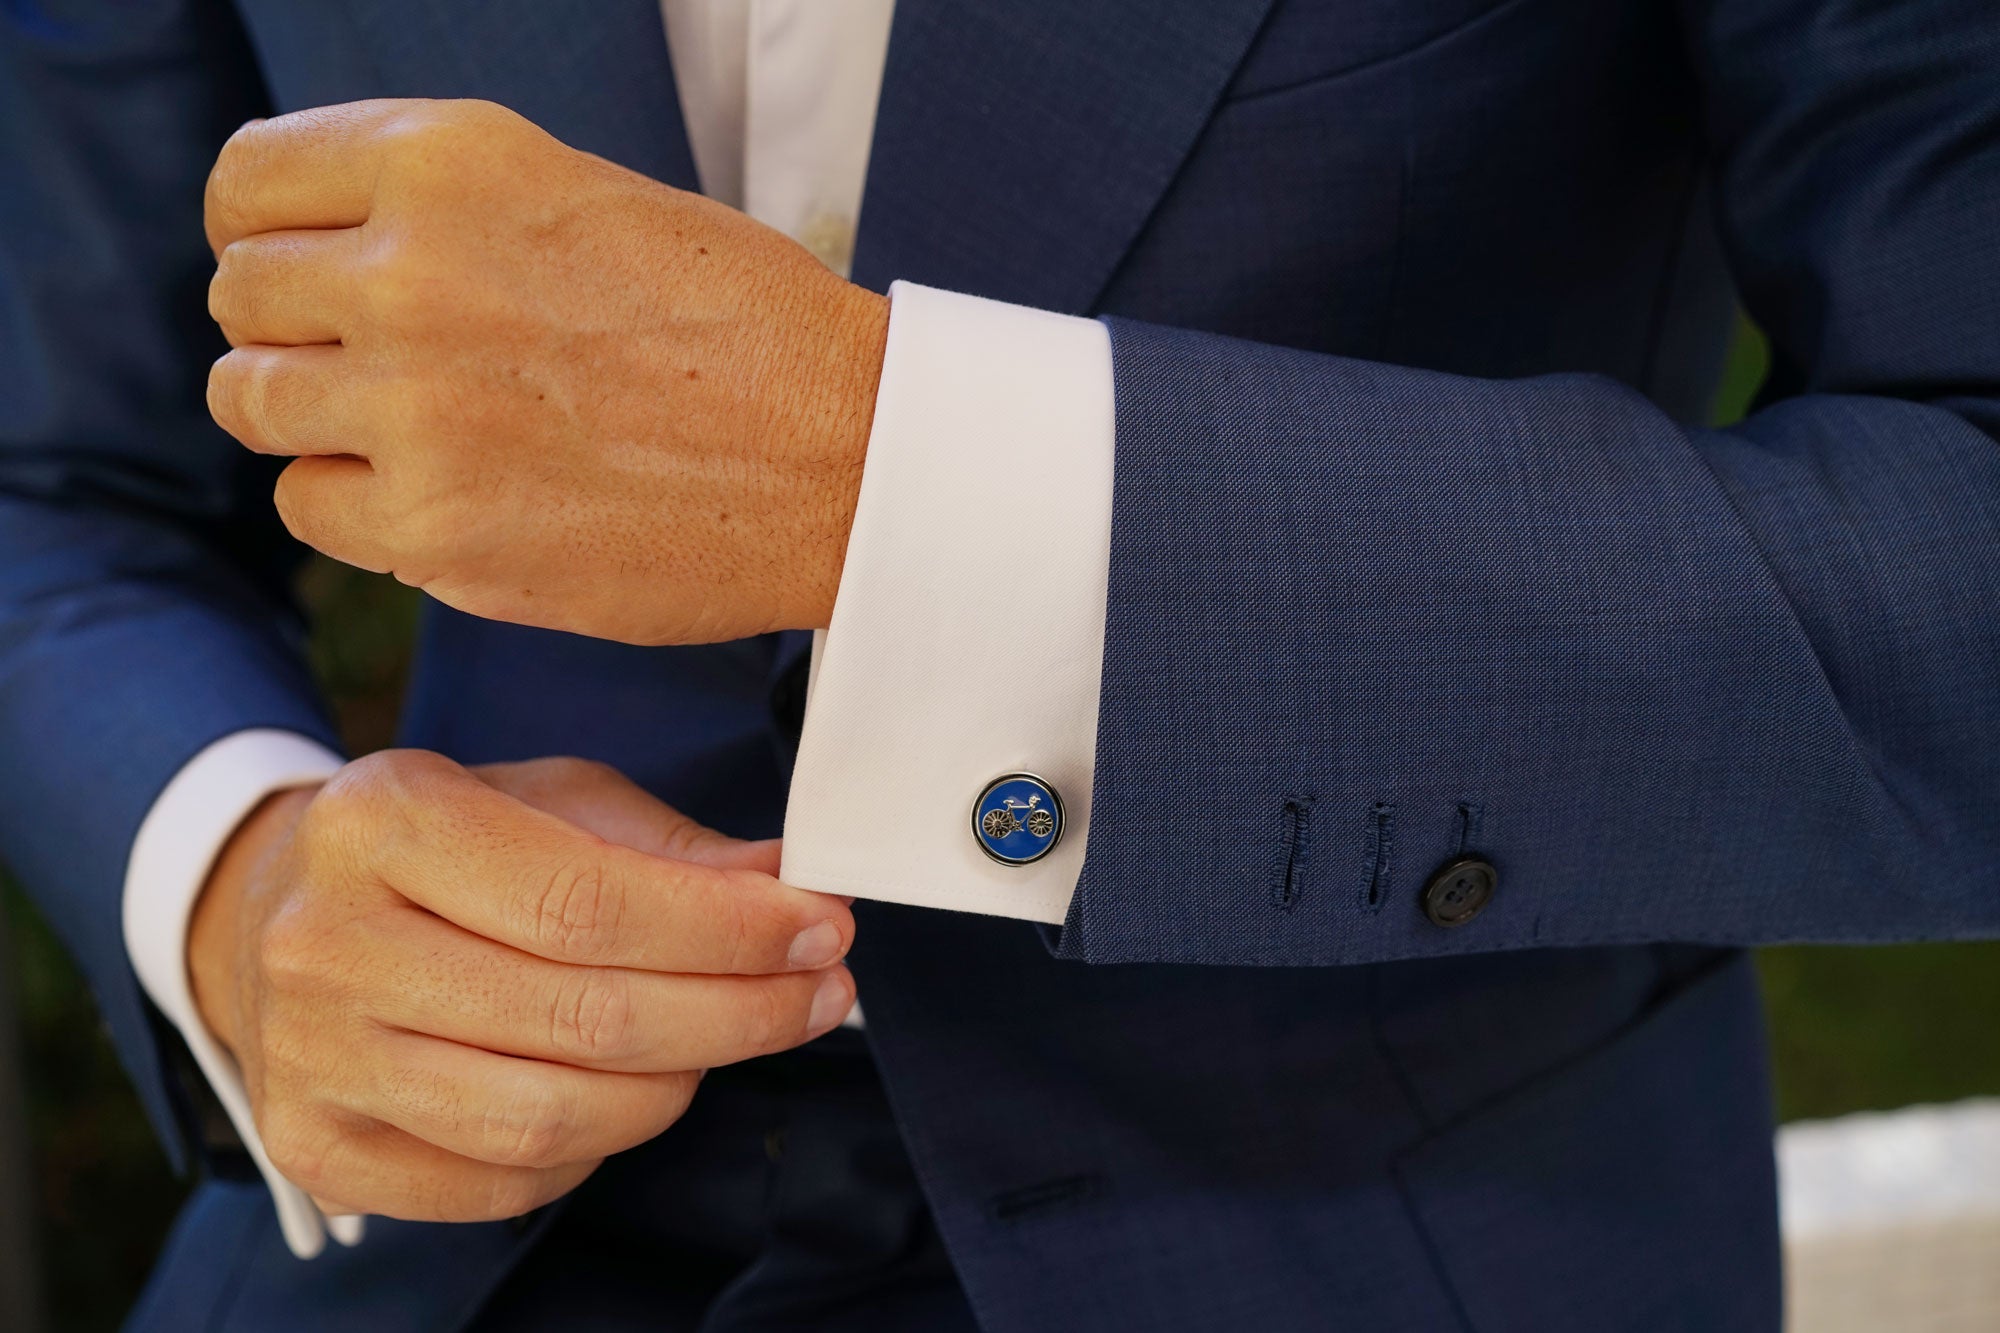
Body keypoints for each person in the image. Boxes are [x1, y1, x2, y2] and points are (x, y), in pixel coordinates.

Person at [3, 0, 1997, 1328]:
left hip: (1380, 1235)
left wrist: (897, 478)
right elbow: (53, 481)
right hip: (423, 1262)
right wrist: (235, 871)